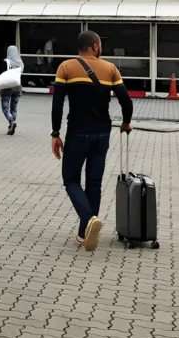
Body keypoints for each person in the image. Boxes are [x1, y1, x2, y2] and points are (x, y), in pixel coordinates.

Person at [51, 30, 133, 251]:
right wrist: (126, 123)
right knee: (94, 183)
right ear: (96, 46)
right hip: (102, 134)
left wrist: (55, 133)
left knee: (70, 180)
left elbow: (57, 104)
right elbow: (126, 102)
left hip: (77, 133)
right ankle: (84, 233)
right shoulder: (110, 69)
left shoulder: (66, 67)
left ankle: (88, 220)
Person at [0, 45, 23, 136]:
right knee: (14, 107)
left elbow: (2, 74)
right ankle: (11, 126)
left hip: (8, 87)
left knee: (5, 107)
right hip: (18, 86)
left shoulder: (6, 62)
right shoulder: (21, 62)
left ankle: (11, 122)